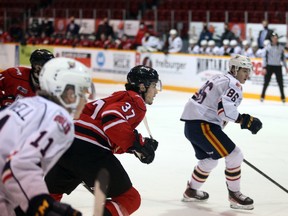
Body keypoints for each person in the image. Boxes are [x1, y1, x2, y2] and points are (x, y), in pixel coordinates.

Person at [45, 65, 161, 216]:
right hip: (88, 149)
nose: (156, 90)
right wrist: (139, 143)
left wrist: (137, 148)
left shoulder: (116, 97)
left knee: (48, 196)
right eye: (153, 85)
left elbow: (108, 133)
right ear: (142, 86)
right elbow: (112, 118)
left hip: (66, 143)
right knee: (130, 199)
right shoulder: (136, 100)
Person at [0, 57, 93, 215]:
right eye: (83, 93)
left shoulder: (25, 103)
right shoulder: (59, 118)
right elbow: (18, 166)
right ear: (69, 94)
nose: (86, 100)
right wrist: (44, 206)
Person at [180, 54, 263, 210]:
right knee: (235, 154)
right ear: (234, 69)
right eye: (244, 71)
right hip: (203, 125)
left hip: (192, 125)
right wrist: (246, 121)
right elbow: (224, 111)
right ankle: (234, 194)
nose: (247, 74)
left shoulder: (220, 78)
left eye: (248, 71)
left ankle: (191, 190)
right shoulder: (234, 84)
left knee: (210, 160)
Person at [261, 32, 288, 103]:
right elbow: (264, 58)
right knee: (266, 82)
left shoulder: (281, 48)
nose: (275, 39)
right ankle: (262, 96)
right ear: (271, 39)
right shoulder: (267, 47)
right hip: (269, 66)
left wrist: (286, 67)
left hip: (278, 66)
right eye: (273, 38)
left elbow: (283, 59)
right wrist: (264, 67)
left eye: (276, 38)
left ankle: (283, 97)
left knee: (280, 83)